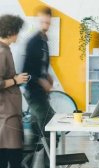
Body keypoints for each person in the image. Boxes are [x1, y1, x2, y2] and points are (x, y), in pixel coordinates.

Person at [22, 6, 55, 167]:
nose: (45, 25)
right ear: (37, 21)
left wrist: (47, 76)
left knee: (36, 132)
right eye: (42, 22)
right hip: (34, 93)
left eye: (48, 23)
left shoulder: (44, 41)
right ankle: (49, 164)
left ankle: (24, 163)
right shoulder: (33, 42)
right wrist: (41, 80)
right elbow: (25, 73)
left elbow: (40, 67)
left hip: (41, 93)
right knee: (52, 128)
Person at [0, 14, 28, 168]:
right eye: (17, 31)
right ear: (10, 31)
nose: (18, 35)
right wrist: (16, 81)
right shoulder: (1, 52)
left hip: (10, 112)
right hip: (6, 116)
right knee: (12, 158)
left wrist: (16, 78)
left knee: (11, 156)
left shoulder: (6, 49)